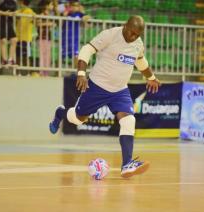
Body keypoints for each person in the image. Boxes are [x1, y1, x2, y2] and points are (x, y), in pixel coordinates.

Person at [49, 16, 161, 178]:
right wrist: (81, 74)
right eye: (132, 32)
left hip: (120, 91)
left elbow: (141, 61)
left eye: (138, 34)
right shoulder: (110, 35)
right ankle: (60, 113)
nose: (133, 37)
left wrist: (151, 78)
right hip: (97, 87)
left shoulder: (137, 44)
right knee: (78, 119)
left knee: (129, 120)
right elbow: (87, 49)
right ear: (125, 26)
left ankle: (127, 164)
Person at [61, 0, 90, 67]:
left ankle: (75, 71)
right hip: (65, 38)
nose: (74, 7)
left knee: (75, 55)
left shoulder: (79, 14)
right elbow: (61, 18)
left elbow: (87, 17)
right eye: (73, 5)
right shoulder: (67, 13)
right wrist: (67, 11)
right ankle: (58, 71)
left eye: (76, 6)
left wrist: (84, 16)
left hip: (74, 38)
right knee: (63, 55)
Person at [0, 0, 17, 66]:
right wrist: (4, 13)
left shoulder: (14, 2)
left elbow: (16, 10)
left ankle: (11, 60)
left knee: (14, 40)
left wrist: (15, 13)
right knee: (3, 40)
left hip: (9, 23)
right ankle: (4, 60)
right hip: (0, 22)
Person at [15, 0, 36, 73]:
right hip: (18, 37)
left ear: (22, 3)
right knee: (17, 55)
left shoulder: (29, 11)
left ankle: (27, 72)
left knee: (26, 56)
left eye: (19, 2)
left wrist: (34, 18)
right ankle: (17, 72)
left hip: (26, 38)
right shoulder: (19, 11)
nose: (18, 3)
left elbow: (35, 17)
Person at [37, 0, 55, 76]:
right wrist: (49, 24)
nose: (52, 6)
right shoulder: (41, 14)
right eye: (51, 5)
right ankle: (41, 71)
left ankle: (46, 72)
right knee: (42, 54)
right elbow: (38, 24)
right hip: (42, 38)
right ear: (46, 6)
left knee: (48, 55)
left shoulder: (50, 15)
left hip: (48, 38)